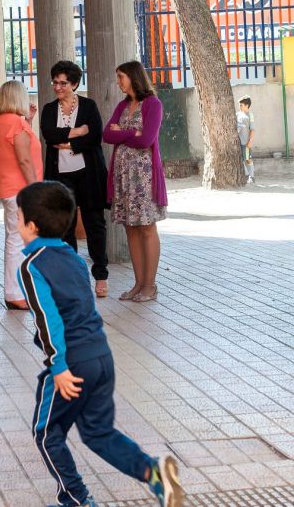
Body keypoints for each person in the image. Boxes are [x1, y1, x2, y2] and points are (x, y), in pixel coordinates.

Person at [15, 181, 184, 507]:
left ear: (31, 226)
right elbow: (83, 308)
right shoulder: (75, 260)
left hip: (71, 364)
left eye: (18, 216)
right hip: (100, 357)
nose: (16, 222)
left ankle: (76, 500)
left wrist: (59, 365)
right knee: (97, 433)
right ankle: (153, 473)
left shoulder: (32, 264)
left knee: (47, 434)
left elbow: (47, 320)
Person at [40, 60, 109, 298]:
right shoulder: (49, 110)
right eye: (55, 82)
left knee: (94, 224)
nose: (58, 87)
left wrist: (67, 142)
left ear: (75, 84)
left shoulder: (88, 106)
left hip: (88, 174)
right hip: (60, 175)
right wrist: (78, 132)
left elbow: (95, 135)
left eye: (63, 83)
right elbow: (49, 135)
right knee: (65, 226)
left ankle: (100, 275)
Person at [102, 61, 167, 303]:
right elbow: (107, 134)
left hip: (144, 177)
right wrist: (132, 133)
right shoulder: (122, 105)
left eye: (121, 77)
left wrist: (123, 132)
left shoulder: (153, 104)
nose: (118, 81)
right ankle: (138, 284)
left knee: (147, 227)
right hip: (123, 177)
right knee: (131, 227)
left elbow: (147, 139)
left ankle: (150, 285)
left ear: (133, 77)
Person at [0, 80, 44, 311]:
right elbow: (24, 159)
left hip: (10, 188)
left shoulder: (3, 122)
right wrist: (36, 189)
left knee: (16, 239)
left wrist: (29, 122)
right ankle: (14, 293)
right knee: (17, 241)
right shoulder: (15, 123)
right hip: (21, 190)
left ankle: (18, 290)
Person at [237, 95, 255, 184]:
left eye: (241, 105)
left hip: (246, 142)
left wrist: (250, 141)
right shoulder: (237, 114)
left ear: (247, 105)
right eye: (239, 105)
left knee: (248, 159)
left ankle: (252, 177)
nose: (240, 107)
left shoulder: (250, 115)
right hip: (237, 142)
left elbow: (252, 129)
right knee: (239, 159)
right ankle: (246, 175)